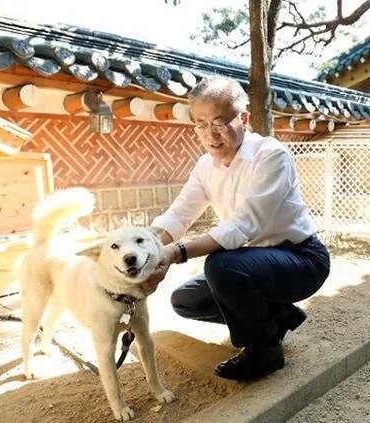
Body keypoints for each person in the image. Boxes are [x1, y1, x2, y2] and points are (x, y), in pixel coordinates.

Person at [143, 76, 330, 381]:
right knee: (186, 300)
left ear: (243, 117)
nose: (210, 134)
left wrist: (176, 253)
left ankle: (265, 350)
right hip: (251, 261)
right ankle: (276, 317)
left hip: (300, 259)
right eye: (201, 124)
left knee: (221, 266)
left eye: (219, 122)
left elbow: (244, 225)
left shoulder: (271, 156)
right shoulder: (206, 165)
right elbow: (178, 215)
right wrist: (145, 249)